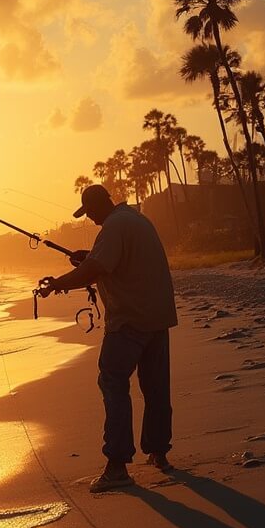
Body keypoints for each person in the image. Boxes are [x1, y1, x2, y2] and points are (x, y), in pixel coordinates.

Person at [40, 183, 177, 492]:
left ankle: (117, 465)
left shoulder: (114, 226)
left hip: (130, 319)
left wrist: (57, 284)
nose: (89, 218)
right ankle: (159, 452)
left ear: (100, 205)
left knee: (113, 382)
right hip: (158, 316)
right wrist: (89, 258)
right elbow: (111, 261)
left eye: (89, 212)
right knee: (155, 387)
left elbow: (96, 269)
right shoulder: (136, 219)